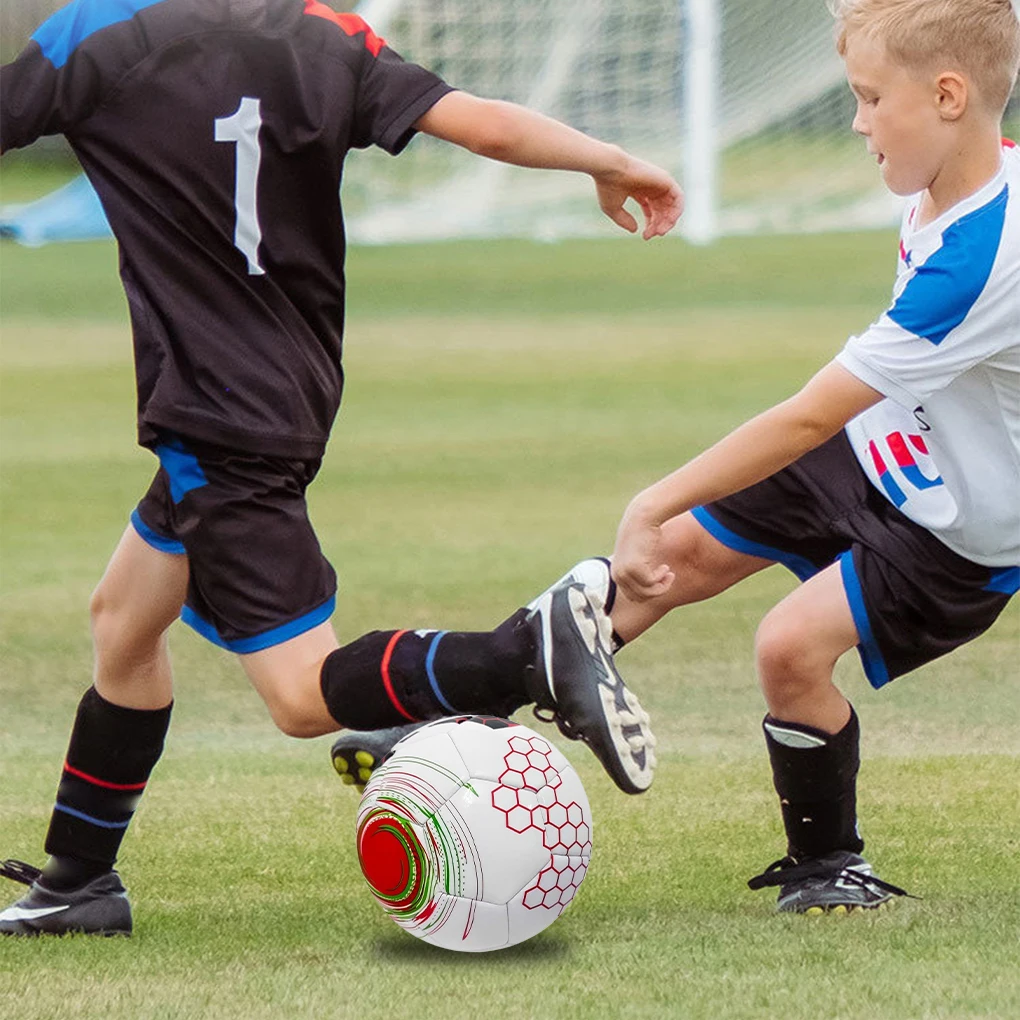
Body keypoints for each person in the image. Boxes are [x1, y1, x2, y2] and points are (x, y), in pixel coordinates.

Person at [0, 0, 680, 936]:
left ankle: (524, 653)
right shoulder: (323, 31)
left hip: (213, 410)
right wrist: (610, 159)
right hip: (294, 386)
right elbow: (478, 119)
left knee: (300, 698)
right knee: (123, 621)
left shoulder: (100, 30)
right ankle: (79, 881)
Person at [334, 0, 1020, 915]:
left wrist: (650, 497)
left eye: (868, 99)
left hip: (960, 526)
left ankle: (828, 865)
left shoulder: (983, 258)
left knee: (788, 649)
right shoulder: (958, 185)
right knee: (665, 567)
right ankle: (465, 727)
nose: (855, 123)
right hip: (884, 444)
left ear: (947, 95)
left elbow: (809, 415)